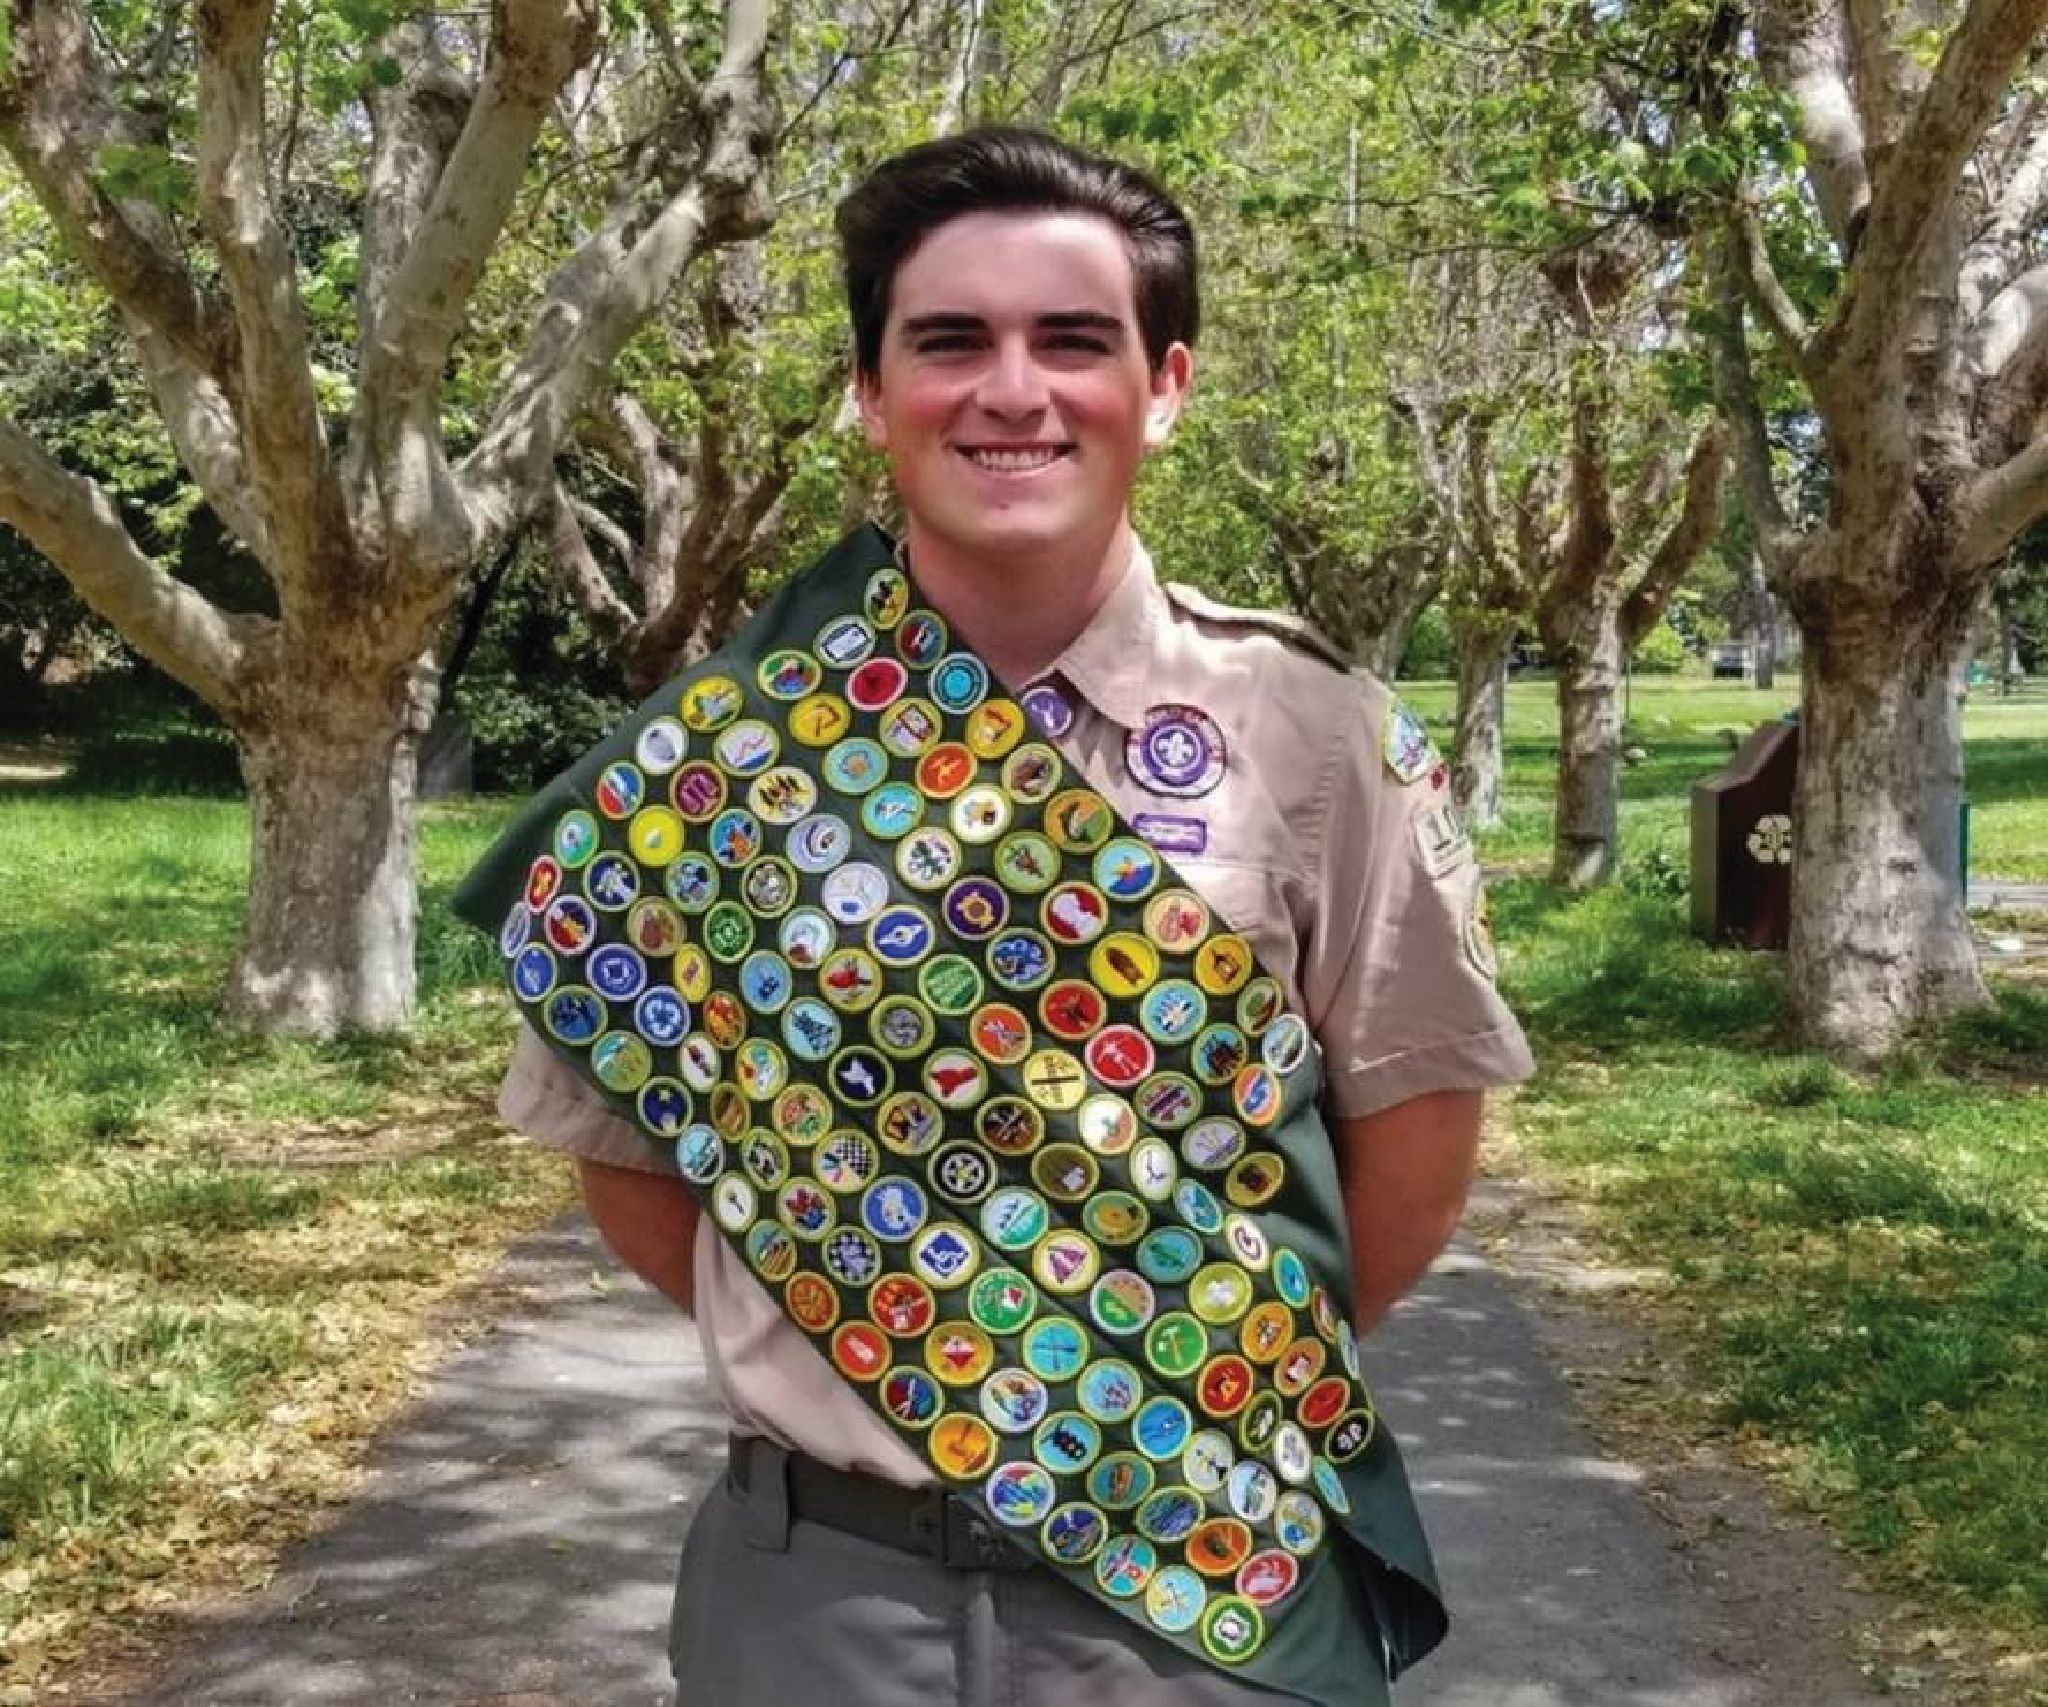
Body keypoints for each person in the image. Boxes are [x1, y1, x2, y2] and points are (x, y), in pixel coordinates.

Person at [477, 127, 1533, 1706]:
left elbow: (1416, 1151)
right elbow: (634, 1167)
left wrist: (1143, 1382)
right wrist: (914, 1340)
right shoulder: (716, 762)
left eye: (1075, 341)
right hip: (819, 1596)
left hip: (1204, 1578)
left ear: (1165, 387)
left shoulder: (1318, 737)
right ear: (870, 390)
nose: (1014, 391)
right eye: (951, 340)